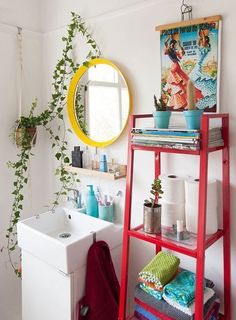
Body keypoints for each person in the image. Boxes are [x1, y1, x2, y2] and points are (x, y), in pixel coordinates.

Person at [164, 35, 203, 110]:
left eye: (175, 45)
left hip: (175, 65)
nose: (175, 46)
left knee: (175, 78)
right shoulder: (170, 50)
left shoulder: (173, 51)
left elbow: (182, 54)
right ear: (172, 44)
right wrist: (169, 38)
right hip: (175, 65)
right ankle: (182, 91)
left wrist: (179, 45)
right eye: (174, 44)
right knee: (179, 79)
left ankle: (182, 89)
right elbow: (166, 44)